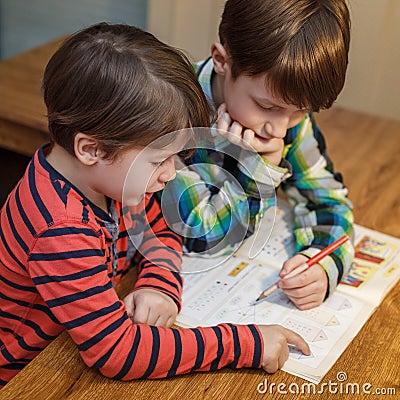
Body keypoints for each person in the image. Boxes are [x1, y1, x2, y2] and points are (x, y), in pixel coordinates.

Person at [0, 23, 310, 388]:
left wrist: (158, 283)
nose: (171, 174)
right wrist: (246, 344)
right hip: (29, 377)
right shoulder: (61, 227)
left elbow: (161, 229)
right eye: (159, 160)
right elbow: (118, 352)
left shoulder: (113, 181)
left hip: (68, 350)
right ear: (91, 149)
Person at [166, 0, 354, 310]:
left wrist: (322, 263)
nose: (279, 130)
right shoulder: (169, 114)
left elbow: (328, 199)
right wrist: (256, 169)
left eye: (301, 110)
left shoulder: (286, 113)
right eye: (267, 107)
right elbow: (198, 238)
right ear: (221, 61)